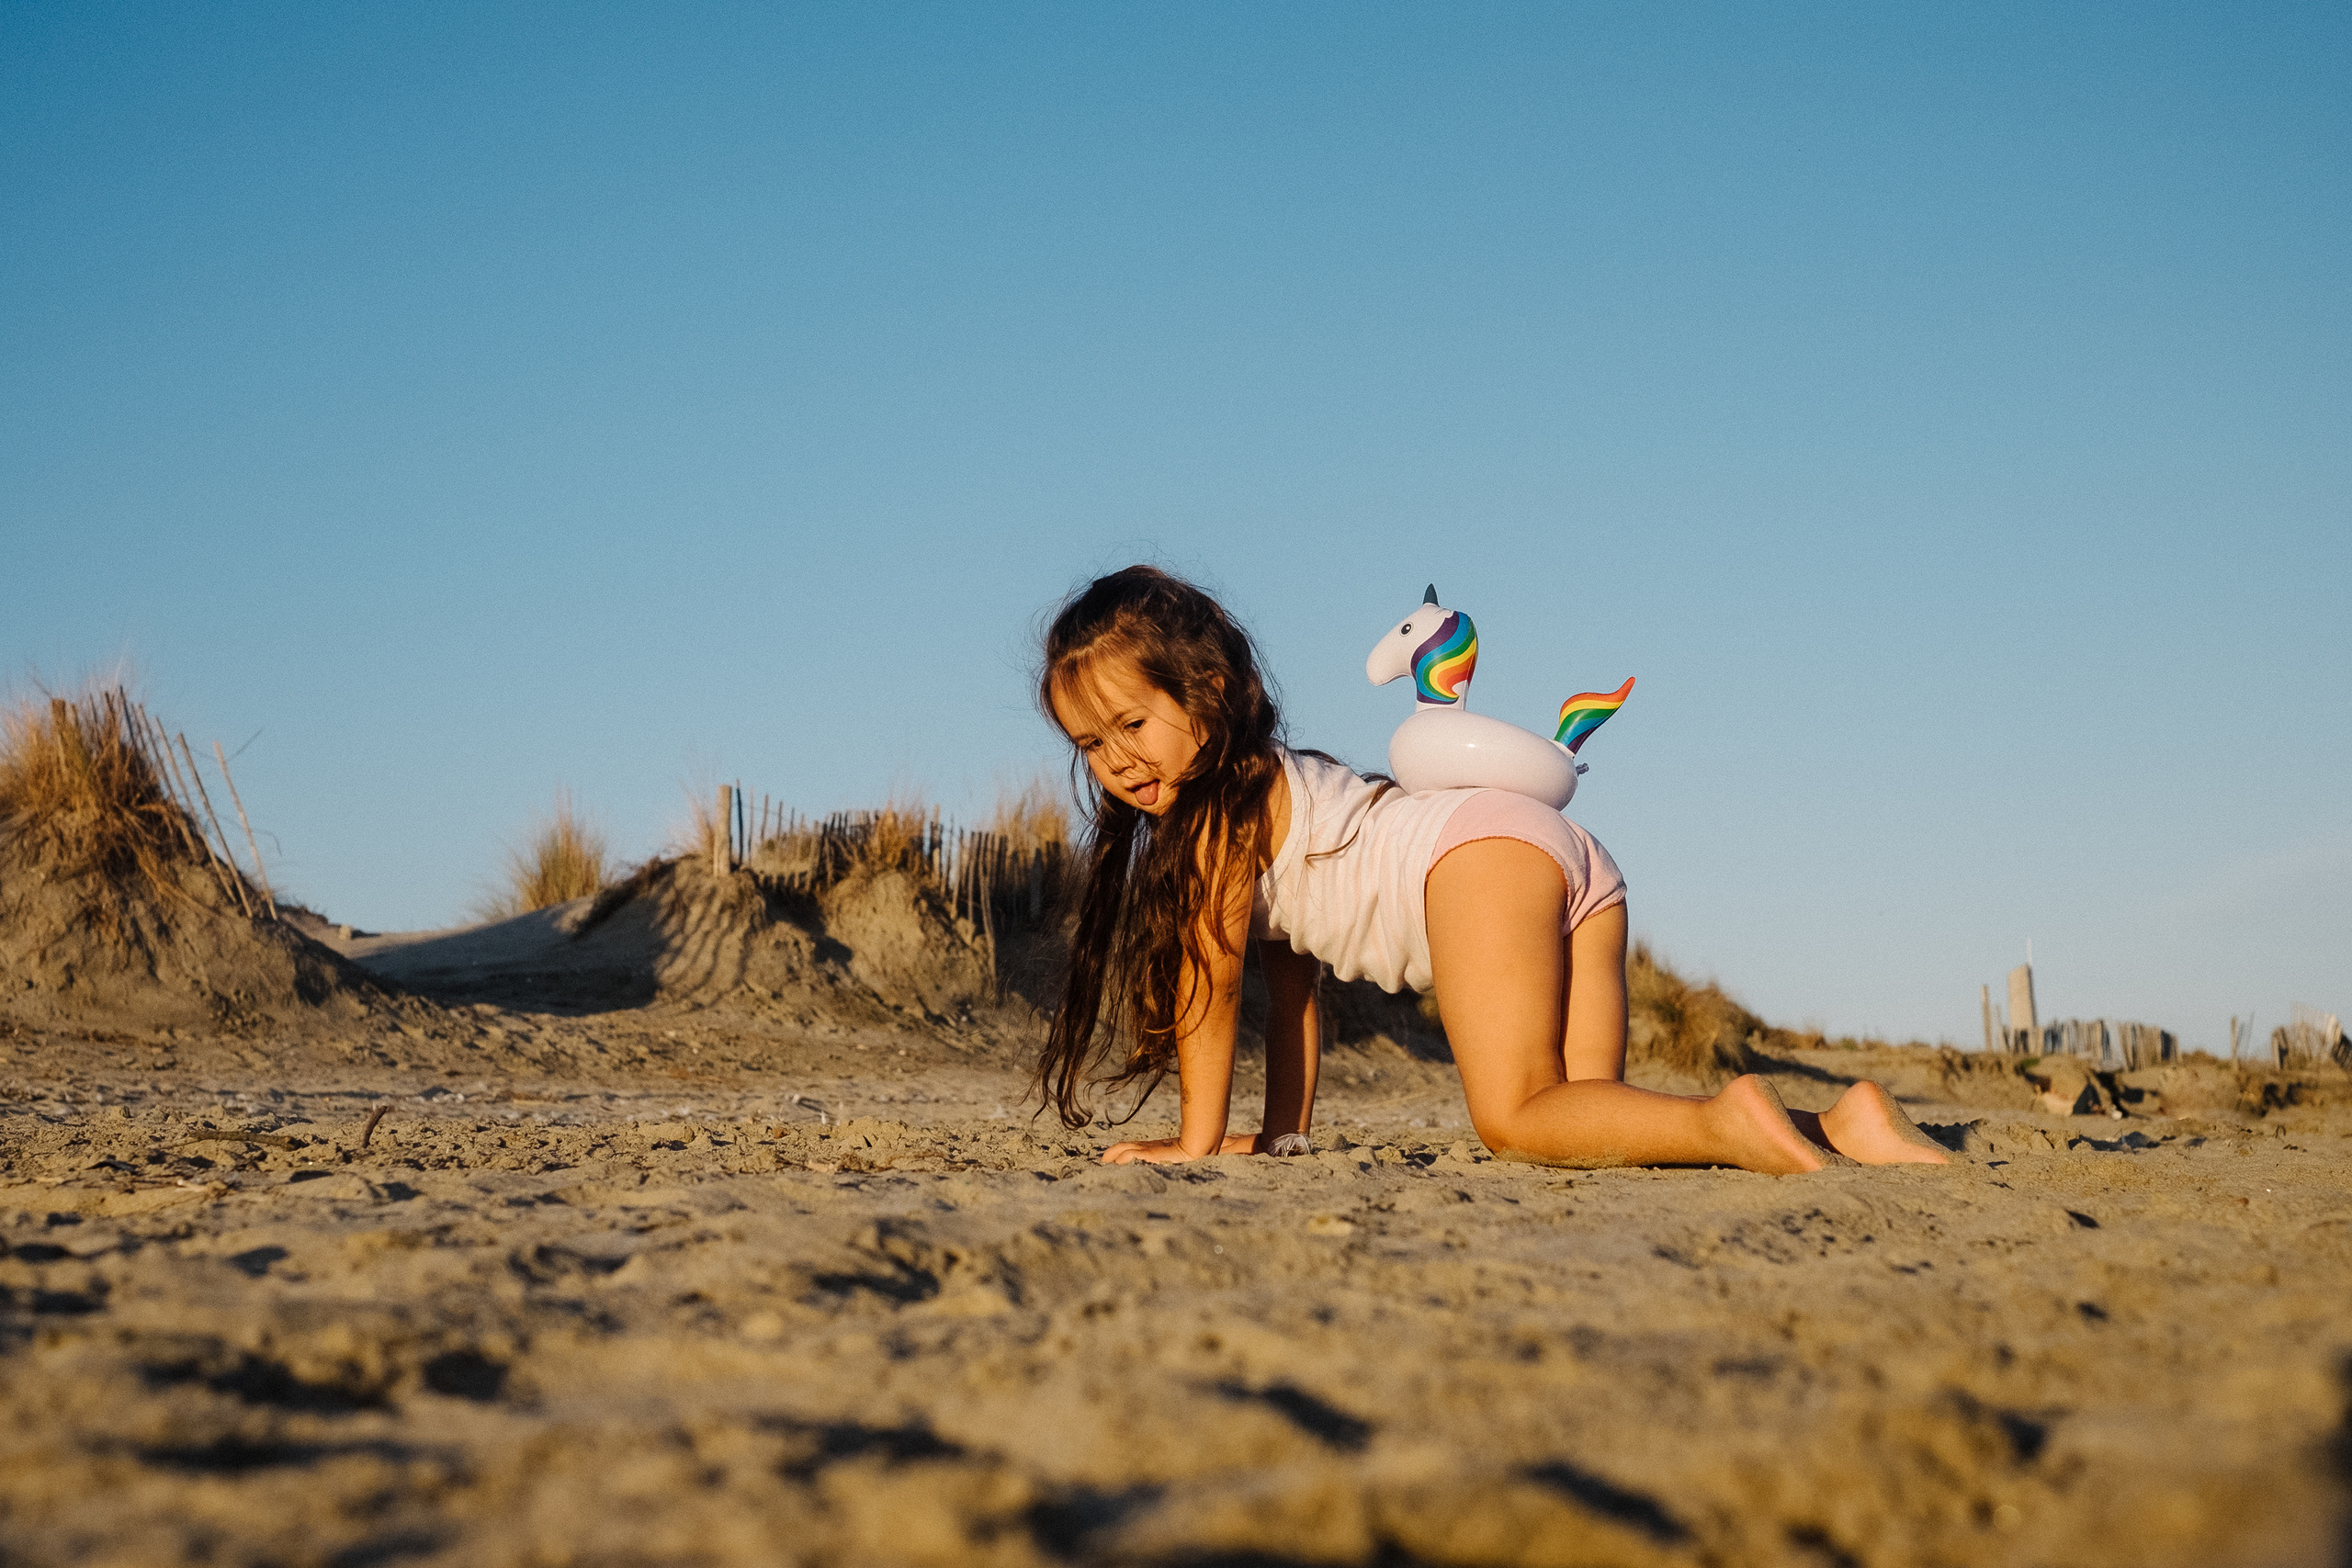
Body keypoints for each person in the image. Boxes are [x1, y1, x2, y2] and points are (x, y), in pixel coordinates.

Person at [1034, 565, 1951, 1174]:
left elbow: (1212, 983)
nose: (1114, 760)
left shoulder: (1212, 825)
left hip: (1476, 860)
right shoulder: (1287, 784)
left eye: (1131, 725)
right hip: (1565, 859)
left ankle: (1729, 1115)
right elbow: (1293, 991)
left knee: (1514, 1116)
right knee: (1588, 1122)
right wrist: (1282, 1139)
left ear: (1207, 692)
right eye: (1089, 743)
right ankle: (1841, 1125)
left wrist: (1193, 1147)